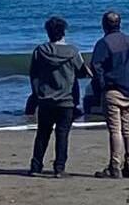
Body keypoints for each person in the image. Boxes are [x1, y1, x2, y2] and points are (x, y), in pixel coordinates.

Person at [27, 16, 88, 178]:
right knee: (62, 135)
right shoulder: (73, 51)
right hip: (66, 100)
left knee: (42, 134)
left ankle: (35, 166)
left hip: (46, 99)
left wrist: (37, 93)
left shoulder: (40, 51)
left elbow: (33, 74)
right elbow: (82, 72)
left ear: (48, 33)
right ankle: (59, 168)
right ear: (63, 32)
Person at [90, 11, 129, 179]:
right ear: (120, 24)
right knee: (128, 128)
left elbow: (96, 67)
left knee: (115, 130)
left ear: (104, 25)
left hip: (113, 90)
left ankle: (115, 166)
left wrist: (101, 86)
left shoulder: (104, 43)